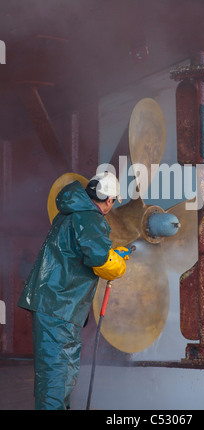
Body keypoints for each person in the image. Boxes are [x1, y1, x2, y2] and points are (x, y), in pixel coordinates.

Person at [18, 170, 130, 410]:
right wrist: (117, 264)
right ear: (109, 200)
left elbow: (84, 250)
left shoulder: (70, 212)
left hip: (57, 306)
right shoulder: (90, 217)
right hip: (58, 306)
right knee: (56, 377)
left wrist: (110, 254)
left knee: (62, 373)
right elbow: (99, 260)